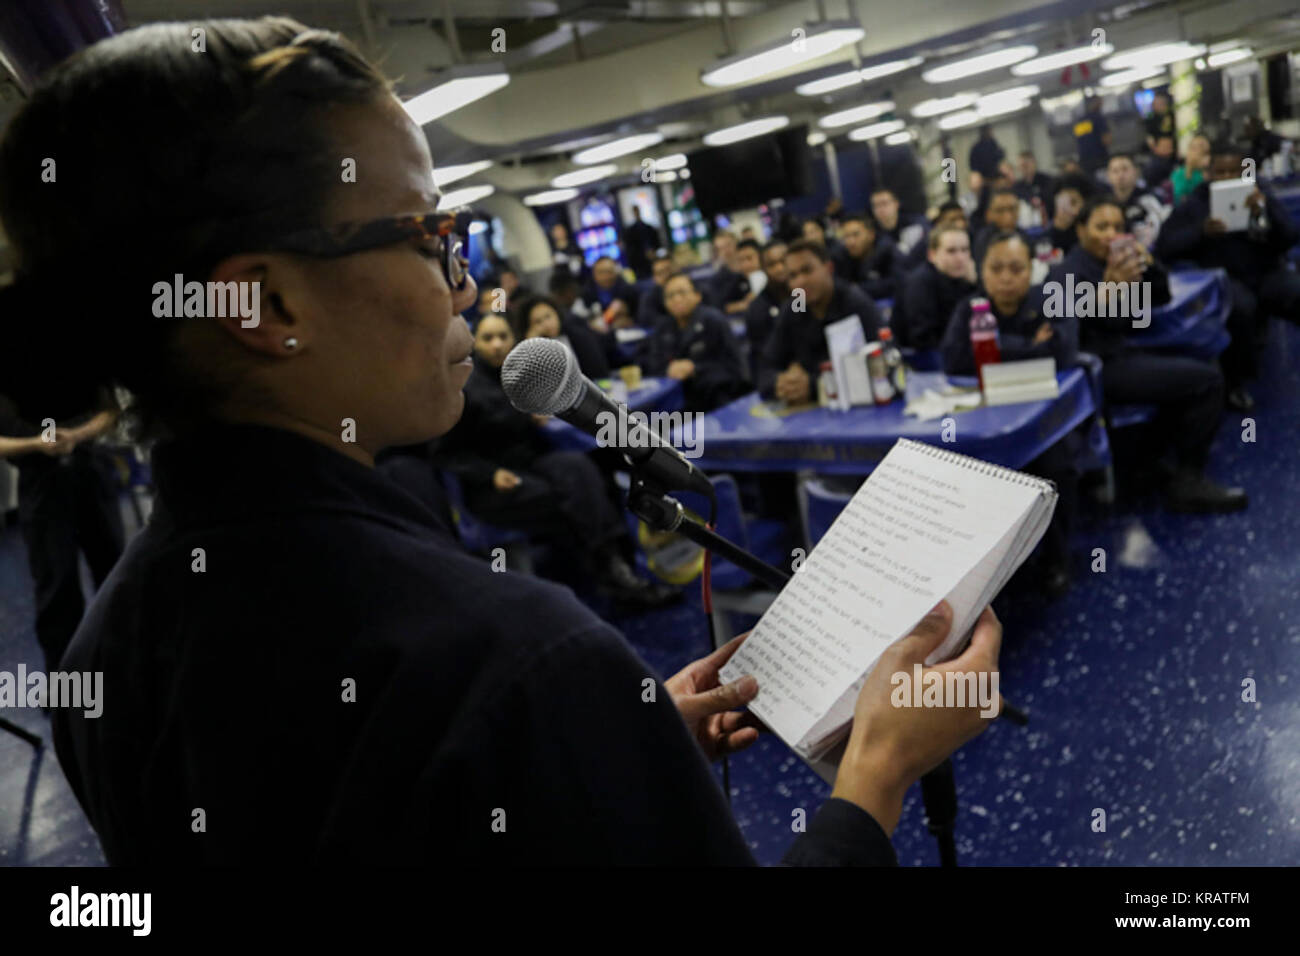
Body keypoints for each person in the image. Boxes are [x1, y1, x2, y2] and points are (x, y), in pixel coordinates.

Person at [14, 15, 1005, 868]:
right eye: (422, 235)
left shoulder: (107, 654)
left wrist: (610, 748)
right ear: (267, 303)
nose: (463, 285)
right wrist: (874, 771)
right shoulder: (516, 661)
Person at [434, 313, 677, 607]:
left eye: (503, 337)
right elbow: (445, 453)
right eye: (488, 338)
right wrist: (490, 473)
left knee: (584, 471)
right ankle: (613, 572)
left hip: (532, 461)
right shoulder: (465, 388)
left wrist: (532, 415)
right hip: (491, 482)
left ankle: (615, 565)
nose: (497, 344)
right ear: (476, 344)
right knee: (569, 498)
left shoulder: (517, 376)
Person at [1048, 196, 1246, 513]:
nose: (1112, 234)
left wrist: (1150, 265)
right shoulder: (1065, 273)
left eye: (1118, 227)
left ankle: (1148, 461)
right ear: (1081, 230)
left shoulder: (1118, 263)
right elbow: (1066, 330)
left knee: (1200, 361)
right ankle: (1188, 481)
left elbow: (1160, 296)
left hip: (1129, 352)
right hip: (1097, 367)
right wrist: (1106, 292)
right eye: (1102, 227)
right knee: (1206, 382)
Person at [940, 232, 1077, 595]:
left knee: (1053, 466)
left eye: (1015, 269)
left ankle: (1056, 559)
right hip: (983, 419)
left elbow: (1062, 353)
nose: (1004, 278)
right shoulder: (969, 308)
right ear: (982, 271)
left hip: (1045, 419)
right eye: (995, 268)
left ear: (1031, 269)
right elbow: (953, 360)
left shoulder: (1051, 299)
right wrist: (1028, 347)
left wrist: (991, 351)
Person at [1155, 140, 1300, 409]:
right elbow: (1166, 245)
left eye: (1232, 172)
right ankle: (1235, 383)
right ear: (1209, 174)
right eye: (1219, 172)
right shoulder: (1196, 202)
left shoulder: (1260, 193)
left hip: (1266, 271)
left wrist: (1265, 212)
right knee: (1240, 309)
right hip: (1224, 277)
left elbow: (1290, 235)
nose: (1225, 178)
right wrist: (1201, 233)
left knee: (1295, 291)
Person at [0, 394, 126, 671]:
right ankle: (65, 682)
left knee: (115, 575)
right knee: (56, 588)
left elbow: (110, 413)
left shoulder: (71, 361)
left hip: (90, 471)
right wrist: (36, 444)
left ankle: (127, 667)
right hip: (41, 486)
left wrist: (76, 436)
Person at [757, 239, 882, 401]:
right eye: (793, 276)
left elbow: (879, 367)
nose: (800, 282)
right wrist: (780, 383)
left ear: (828, 268)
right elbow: (766, 367)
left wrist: (814, 385)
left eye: (807, 270)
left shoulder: (853, 302)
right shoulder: (796, 306)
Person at [643, 273, 748, 412]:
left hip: (717, 399)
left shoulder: (713, 321)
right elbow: (654, 366)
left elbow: (736, 367)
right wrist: (669, 369)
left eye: (682, 292)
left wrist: (695, 369)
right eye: (670, 296)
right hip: (677, 405)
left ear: (697, 296)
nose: (677, 299)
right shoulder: (662, 329)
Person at [892, 225, 977, 350]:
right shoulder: (920, 283)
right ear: (932, 255)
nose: (960, 258)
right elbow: (923, 339)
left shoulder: (965, 278)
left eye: (965, 250)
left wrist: (974, 285)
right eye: (951, 251)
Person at [513, 293, 619, 380]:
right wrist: (531, 346)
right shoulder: (532, 351)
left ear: (557, 314)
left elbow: (598, 368)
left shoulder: (575, 333)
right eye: (538, 322)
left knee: (622, 406)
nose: (546, 324)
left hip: (596, 387)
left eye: (548, 316)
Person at [744, 239, 790, 374]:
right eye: (772, 264)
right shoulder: (756, 309)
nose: (779, 269)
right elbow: (761, 357)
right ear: (763, 268)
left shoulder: (802, 294)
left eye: (783, 261)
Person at [832, 214, 902, 299]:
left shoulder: (887, 250)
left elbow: (897, 282)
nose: (851, 242)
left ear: (871, 235)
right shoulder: (841, 257)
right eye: (846, 236)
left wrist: (858, 288)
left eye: (856, 235)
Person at [1106, 152, 1167, 248]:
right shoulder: (1104, 204)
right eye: (1115, 171)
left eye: (1125, 169)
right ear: (1108, 176)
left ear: (1136, 172)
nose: (1120, 175)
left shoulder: (1149, 199)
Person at [871, 187, 929, 270]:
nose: (880, 209)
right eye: (876, 205)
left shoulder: (916, 223)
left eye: (884, 203)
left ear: (896, 204)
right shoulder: (873, 234)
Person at [972, 187, 1027, 268]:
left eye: (1012, 209)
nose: (1008, 216)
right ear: (988, 214)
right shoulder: (982, 240)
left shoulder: (1024, 236)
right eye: (1000, 210)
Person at [581, 255, 640, 326]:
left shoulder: (627, 289)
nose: (605, 276)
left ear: (616, 272)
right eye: (601, 272)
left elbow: (638, 316)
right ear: (594, 274)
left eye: (609, 272)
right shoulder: (587, 291)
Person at [1046, 173, 1094, 256]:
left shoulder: (1090, 230)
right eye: (1062, 203)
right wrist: (1059, 228)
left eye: (1073, 202)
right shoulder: (1049, 232)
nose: (1067, 209)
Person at [706, 229, 752, 313]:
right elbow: (718, 307)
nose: (726, 251)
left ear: (737, 243)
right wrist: (743, 305)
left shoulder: (752, 268)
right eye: (720, 248)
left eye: (728, 245)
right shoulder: (717, 280)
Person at [620, 205, 661, 280]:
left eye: (637, 211)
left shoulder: (649, 227)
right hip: (639, 266)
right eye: (635, 211)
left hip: (653, 262)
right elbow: (630, 249)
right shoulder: (630, 231)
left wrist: (653, 252)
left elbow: (657, 243)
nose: (637, 213)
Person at [1073, 95, 1111, 175]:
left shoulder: (1079, 121)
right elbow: (1106, 140)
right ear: (1094, 103)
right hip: (1100, 160)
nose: (1101, 105)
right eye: (1100, 102)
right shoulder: (1098, 117)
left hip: (1084, 162)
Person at [1171, 133, 1210, 205]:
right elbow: (1177, 198)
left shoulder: (1208, 172)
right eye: (1194, 149)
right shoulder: (1180, 173)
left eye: (1205, 152)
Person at [636, 253, 674, 326]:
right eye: (660, 273)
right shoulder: (649, 297)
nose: (666, 276)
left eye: (668, 270)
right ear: (654, 278)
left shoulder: (691, 288)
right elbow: (645, 320)